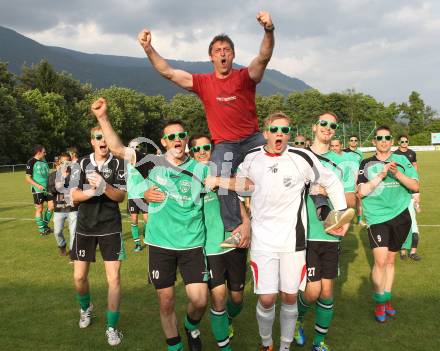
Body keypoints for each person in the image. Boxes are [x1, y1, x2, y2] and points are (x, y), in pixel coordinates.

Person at [206, 112, 349, 351]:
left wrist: (340, 215)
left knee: (290, 297)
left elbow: (332, 181)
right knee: (267, 298)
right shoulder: (251, 158)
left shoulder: (302, 157)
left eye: (284, 130)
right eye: (274, 130)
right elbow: (246, 187)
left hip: (293, 241)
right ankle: (266, 344)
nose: (279, 134)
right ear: (265, 134)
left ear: (289, 134)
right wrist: (222, 182)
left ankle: (284, 346)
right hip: (262, 241)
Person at [137, 11, 275, 235]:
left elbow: (263, 57)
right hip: (225, 144)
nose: (222, 54)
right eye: (217, 51)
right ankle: (235, 227)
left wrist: (269, 30)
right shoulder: (203, 82)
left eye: (226, 50)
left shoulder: (244, 77)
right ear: (211, 57)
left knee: (280, 160)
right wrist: (148, 48)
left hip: (252, 138)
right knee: (218, 173)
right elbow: (168, 72)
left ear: (232, 55)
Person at [91, 97, 209, 351]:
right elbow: (118, 149)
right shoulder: (152, 163)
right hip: (160, 244)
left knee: (199, 301)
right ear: (164, 142)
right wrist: (102, 117)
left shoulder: (201, 168)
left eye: (182, 135)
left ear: (186, 139)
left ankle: (190, 325)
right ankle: (175, 346)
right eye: (172, 136)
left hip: (192, 244)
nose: (178, 139)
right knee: (166, 301)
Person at [295, 113, 356, 351]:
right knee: (312, 291)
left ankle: (319, 342)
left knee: (327, 293)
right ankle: (297, 320)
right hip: (306, 234)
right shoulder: (298, 157)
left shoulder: (339, 163)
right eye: (324, 124)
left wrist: (346, 221)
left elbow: (349, 198)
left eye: (332, 126)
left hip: (330, 235)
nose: (328, 128)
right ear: (314, 127)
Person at [190, 134, 250, 350]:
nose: (203, 152)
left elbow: (239, 197)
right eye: (198, 149)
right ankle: (224, 346)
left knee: (237, 298)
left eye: (207, 147)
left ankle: (228, 321)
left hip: (233, 240)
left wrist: (246, 224)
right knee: (219, 297)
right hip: (210, 247)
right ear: (192, 153)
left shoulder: (222, 173)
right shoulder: (189, 176)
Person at [70, 122, 127, 346]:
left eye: (105, 137)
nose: (103, 141)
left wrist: (104, 186)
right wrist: (93, 191)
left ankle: (112, 327)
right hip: (85, 227)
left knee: (113, 279)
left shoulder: (119, 163)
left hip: (110, 227)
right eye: (98, 137)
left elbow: (120, 197)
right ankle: (86, 308)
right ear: (92, 141)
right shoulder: (80, 164)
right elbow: (73, 196)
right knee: (79, 277)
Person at [357, 126, 419, 323]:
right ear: (374, 142)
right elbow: (360, 192)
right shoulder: (366, 163)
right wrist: (382, 175)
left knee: (391, 261)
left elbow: (416, 186)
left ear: (391, 141)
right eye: (379, 138)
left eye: (387, 138)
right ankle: (379, 302)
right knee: (380, 261)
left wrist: (397, 174)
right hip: (377, 218)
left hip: (401, 216)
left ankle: (387, 299)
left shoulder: (402, 160)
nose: (383, 141)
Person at [47, 152, 78, 256]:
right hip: (59, 209)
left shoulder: (75, 175)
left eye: (67, 162)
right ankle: (62, 245)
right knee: (57, 232)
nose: (65, 164)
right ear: (58, 163)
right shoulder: (53, 175)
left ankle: (73, 253)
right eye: (62, 162)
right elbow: (51, 190)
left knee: (73, 233)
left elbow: (79, 189)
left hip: (73, 208)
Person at [127, 139, 149, 252]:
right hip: (132, 196)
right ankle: (137, 244)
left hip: (144, 195)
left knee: (147, 220)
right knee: (134, 220)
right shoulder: (126, 164)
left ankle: (146, 235)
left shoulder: (143, 162)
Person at [25, 144, 53, 235]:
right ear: (39, 152)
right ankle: (42, 230)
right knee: (39, 209)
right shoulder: (31, 162)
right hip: (37, 189)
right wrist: (38, 185)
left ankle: (45, 226)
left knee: (51, 206)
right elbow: (28, 178)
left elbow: (47, 174)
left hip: (47, 188)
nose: (45, 153)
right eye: (44, 152)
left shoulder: (44, 161)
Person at [343, 135, 366, 226]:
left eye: (355, 140)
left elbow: (361, 167)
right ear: (348, 142)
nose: (353, 142)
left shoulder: (360, 153)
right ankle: (347, 220)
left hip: (357, 180)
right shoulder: (344, 152)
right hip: (346, 181)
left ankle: (360, 220)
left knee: (359, 200)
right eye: (351, 140)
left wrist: (360, 181)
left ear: (357, 142)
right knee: (348, 202)